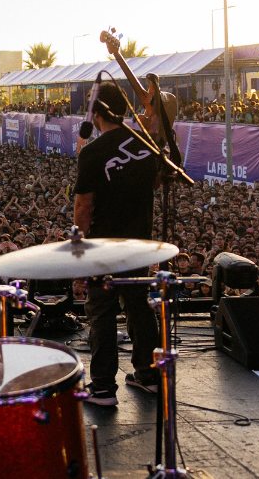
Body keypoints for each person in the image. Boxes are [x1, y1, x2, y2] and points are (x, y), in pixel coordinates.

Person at [73, 82, 161, 406]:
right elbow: (154, 182)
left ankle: (102, 388)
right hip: (140, 242)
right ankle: (148, 374)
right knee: (139, 305)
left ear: (96, 113)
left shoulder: (93, 153)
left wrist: (77, 247)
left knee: (102, 310)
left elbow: (84, 206)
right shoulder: (147, 144)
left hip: (103, 247)